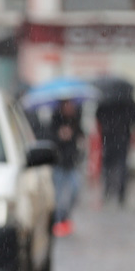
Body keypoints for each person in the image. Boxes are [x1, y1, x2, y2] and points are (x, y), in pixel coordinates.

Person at [95, 94, 135, 206]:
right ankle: (120, 192)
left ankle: (108, 189)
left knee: (109, 164)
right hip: (122, 136)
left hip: (109, 136)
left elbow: (98, 115)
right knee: (121, 163)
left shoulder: (105, 99)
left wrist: (106, 124)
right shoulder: (128, 100)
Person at [49, 99, 83, 236]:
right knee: (58, 195)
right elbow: (49, 139)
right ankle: (58, 220)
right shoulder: (55, 121)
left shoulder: (75, 120)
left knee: (75, 189)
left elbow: (80, 135)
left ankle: (65, 217)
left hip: (71, 162)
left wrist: (75, 135)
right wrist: (59, 136)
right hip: (59, 162)